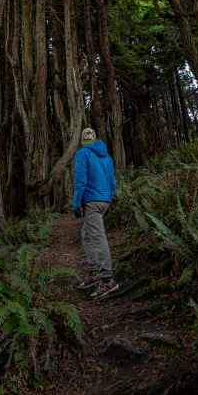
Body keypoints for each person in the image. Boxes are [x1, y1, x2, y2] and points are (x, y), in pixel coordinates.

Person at [73, 127, 119, 299]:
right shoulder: (106, 157)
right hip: (104, 200)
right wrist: (107, 201)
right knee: (86, 235)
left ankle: (107, 280)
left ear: (84, 141)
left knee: (98, 238)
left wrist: (76, 204)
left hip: (91, 202)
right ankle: (94, 273)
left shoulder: (82, 154)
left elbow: (80, 181)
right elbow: (112, 182)